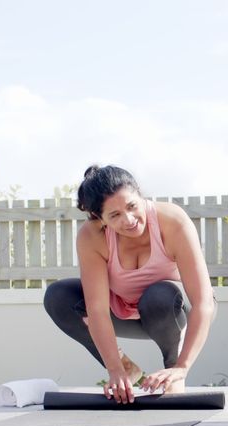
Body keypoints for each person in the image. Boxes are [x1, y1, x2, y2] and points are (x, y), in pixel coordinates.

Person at [44, 165, 215, 403]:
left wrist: (183, 367)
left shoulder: (172, 221)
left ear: (141, 195)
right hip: (123, 314)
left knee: (159, 295)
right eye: (114, 216)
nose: (129, 220)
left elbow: (203, 302)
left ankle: (172, 371)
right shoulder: (92, 236)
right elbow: (97, 310)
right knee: (58, 296)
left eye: (132, 206)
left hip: (170, 312)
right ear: (100, 219)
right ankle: (126, 369)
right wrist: (114, 369)